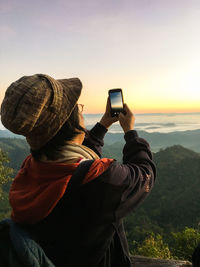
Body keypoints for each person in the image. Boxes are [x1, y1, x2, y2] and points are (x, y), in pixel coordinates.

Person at [0, 74, 156, 267]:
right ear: (69, 122)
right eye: (79, 109)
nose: (81, 112)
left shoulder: (31, 168)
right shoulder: (101, 180)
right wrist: (131, 133)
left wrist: (103, 124)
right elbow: (144, 175)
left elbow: (75, 163)